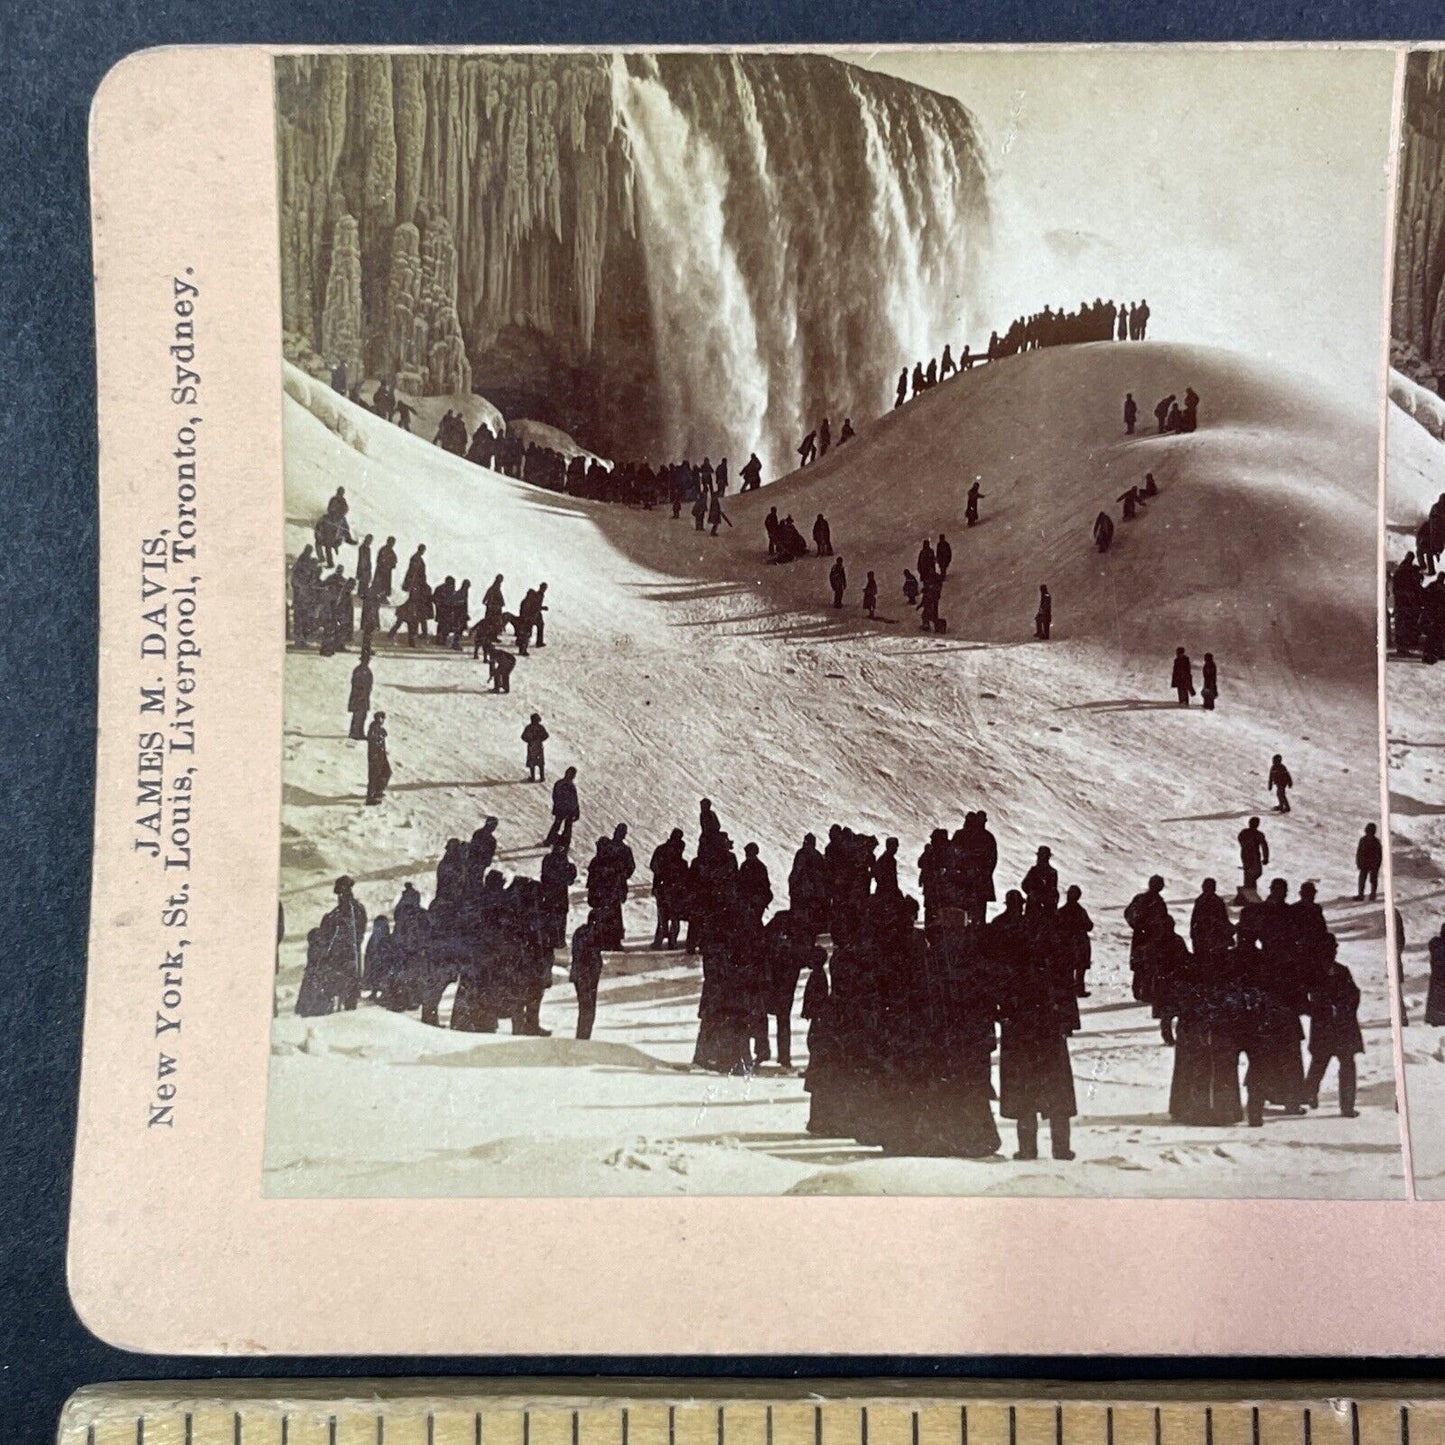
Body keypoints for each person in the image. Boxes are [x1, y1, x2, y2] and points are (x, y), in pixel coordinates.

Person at [1303, 940, 1363, 1117]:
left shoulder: (1342, 970)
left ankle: (1347, 1106)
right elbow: (1304, 997)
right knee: (1319, 1063)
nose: (1332, 954)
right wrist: (1320, 1009)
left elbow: (1354, 993)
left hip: (1343, 1025)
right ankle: (1309, 1093)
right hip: (1324, 1026)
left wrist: (1344, 1007)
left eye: (1334, 951)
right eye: (1329, 951)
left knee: (1346, 1065)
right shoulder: (1313, 973)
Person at [649, 829, 689, 949]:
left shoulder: (661, 850)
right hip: (673, 889)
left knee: (663, 917)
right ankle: (672, 941)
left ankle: (660, 941)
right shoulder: (680, 862)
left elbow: (654, 867)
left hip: (663, 887)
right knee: (673, 916)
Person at [569, 909, 605, 1041]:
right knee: (588, 1010)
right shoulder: (591, 934)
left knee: (585, 1009)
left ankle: (583, 1037)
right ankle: (583, 1038)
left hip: (581, 975)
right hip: (587, 976)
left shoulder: (580, 932)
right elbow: (588, 955)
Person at [539, 841, 576, 952]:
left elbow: (544, 876)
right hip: (559, 896)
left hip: (550, 895)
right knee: (559, 919)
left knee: (550, 917)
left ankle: (549, 940)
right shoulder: (563, 861)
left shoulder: (548, 859)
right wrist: (571, 870)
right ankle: (557, 942)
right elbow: (569, 880)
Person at [546, 765, 580, 846]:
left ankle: (553, 840)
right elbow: (557, 797)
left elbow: (573, 799)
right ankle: (562, 843)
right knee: (564, 826)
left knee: (561, 825)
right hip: (565, 810)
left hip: (564, 809)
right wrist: (575, 810)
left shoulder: (562, 784)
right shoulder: (565, 785)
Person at [1237, 817, 1269, 901]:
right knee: (1251, 873)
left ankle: (1248, 889)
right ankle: (1248, 892)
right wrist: (1265, 857)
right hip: (1252, 856)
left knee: (1251, 873)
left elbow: (1264, 845)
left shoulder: (1245, 832)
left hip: (1249, 855)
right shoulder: (1257, 834)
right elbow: (1264, 846)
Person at [365, 710, 390, 805]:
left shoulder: (378, 728)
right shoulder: (373, 729)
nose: (383, 720)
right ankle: (370, 797)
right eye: (382, 718)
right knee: (373, 776)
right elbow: (373, 742)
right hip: (375, 756)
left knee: (386, 772)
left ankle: (378, 791)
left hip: (381, 755)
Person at [347, 650, 373, 741]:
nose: (367, 661)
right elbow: (356, 683)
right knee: (358, 715)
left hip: (364, 697)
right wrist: (361, 693)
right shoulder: (359, 670)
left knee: (362, 715)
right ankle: (355, 733)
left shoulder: (366, 670)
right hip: (358, 697)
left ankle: (359, 732)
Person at [1356, 823, 1383, 902]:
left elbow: (1379, 855)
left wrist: (1377, 865)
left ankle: (1372, 894)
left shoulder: (1376, 842)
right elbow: (1359, 852)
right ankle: (1361, 895)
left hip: (1372, 864)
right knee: (1362, 879)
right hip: (1364, 864)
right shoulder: (1363, 840)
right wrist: (1358, 862)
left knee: (1373, 880)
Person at [522, 713, 549, 782]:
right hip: (539, 746)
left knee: (532, 762)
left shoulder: (529, 727)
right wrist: (540, 740)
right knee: (540, 762)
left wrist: (529, 741)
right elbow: (546, 735)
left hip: (531, 747)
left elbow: (523, 737)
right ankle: (542, 777)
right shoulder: (540, 727)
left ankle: (533, 777)